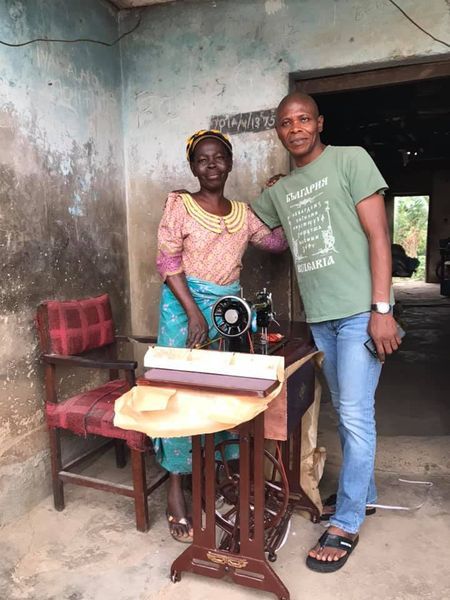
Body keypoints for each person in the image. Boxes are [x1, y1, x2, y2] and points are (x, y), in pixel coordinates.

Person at [252, 92, 401, 573]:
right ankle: (366, 494)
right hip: (322, 318)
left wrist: (382, 308)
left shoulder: (351, 160)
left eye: (302, 119)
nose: (294, 128)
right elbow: (255, 230)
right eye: (284, 122)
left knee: (356, 416)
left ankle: (348, 521)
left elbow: (380, 236)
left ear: (319, 122)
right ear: (279, 131)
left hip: (360, 310)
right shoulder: (281, 190)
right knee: (345, 410)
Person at [155, 129, 288, 542]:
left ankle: (221, 474)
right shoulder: (179, 204)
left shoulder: (243, 213)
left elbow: (277, 243)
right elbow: (166, 261)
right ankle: (177, 486)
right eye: (202, 160)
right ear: (193, 167)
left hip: (229, 312)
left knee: (224, 394)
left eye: (218, 158)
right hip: (184, 309)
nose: (211, 166)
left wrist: (284, 198)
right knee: (182, 395)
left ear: (230, 163)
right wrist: (193, 312)